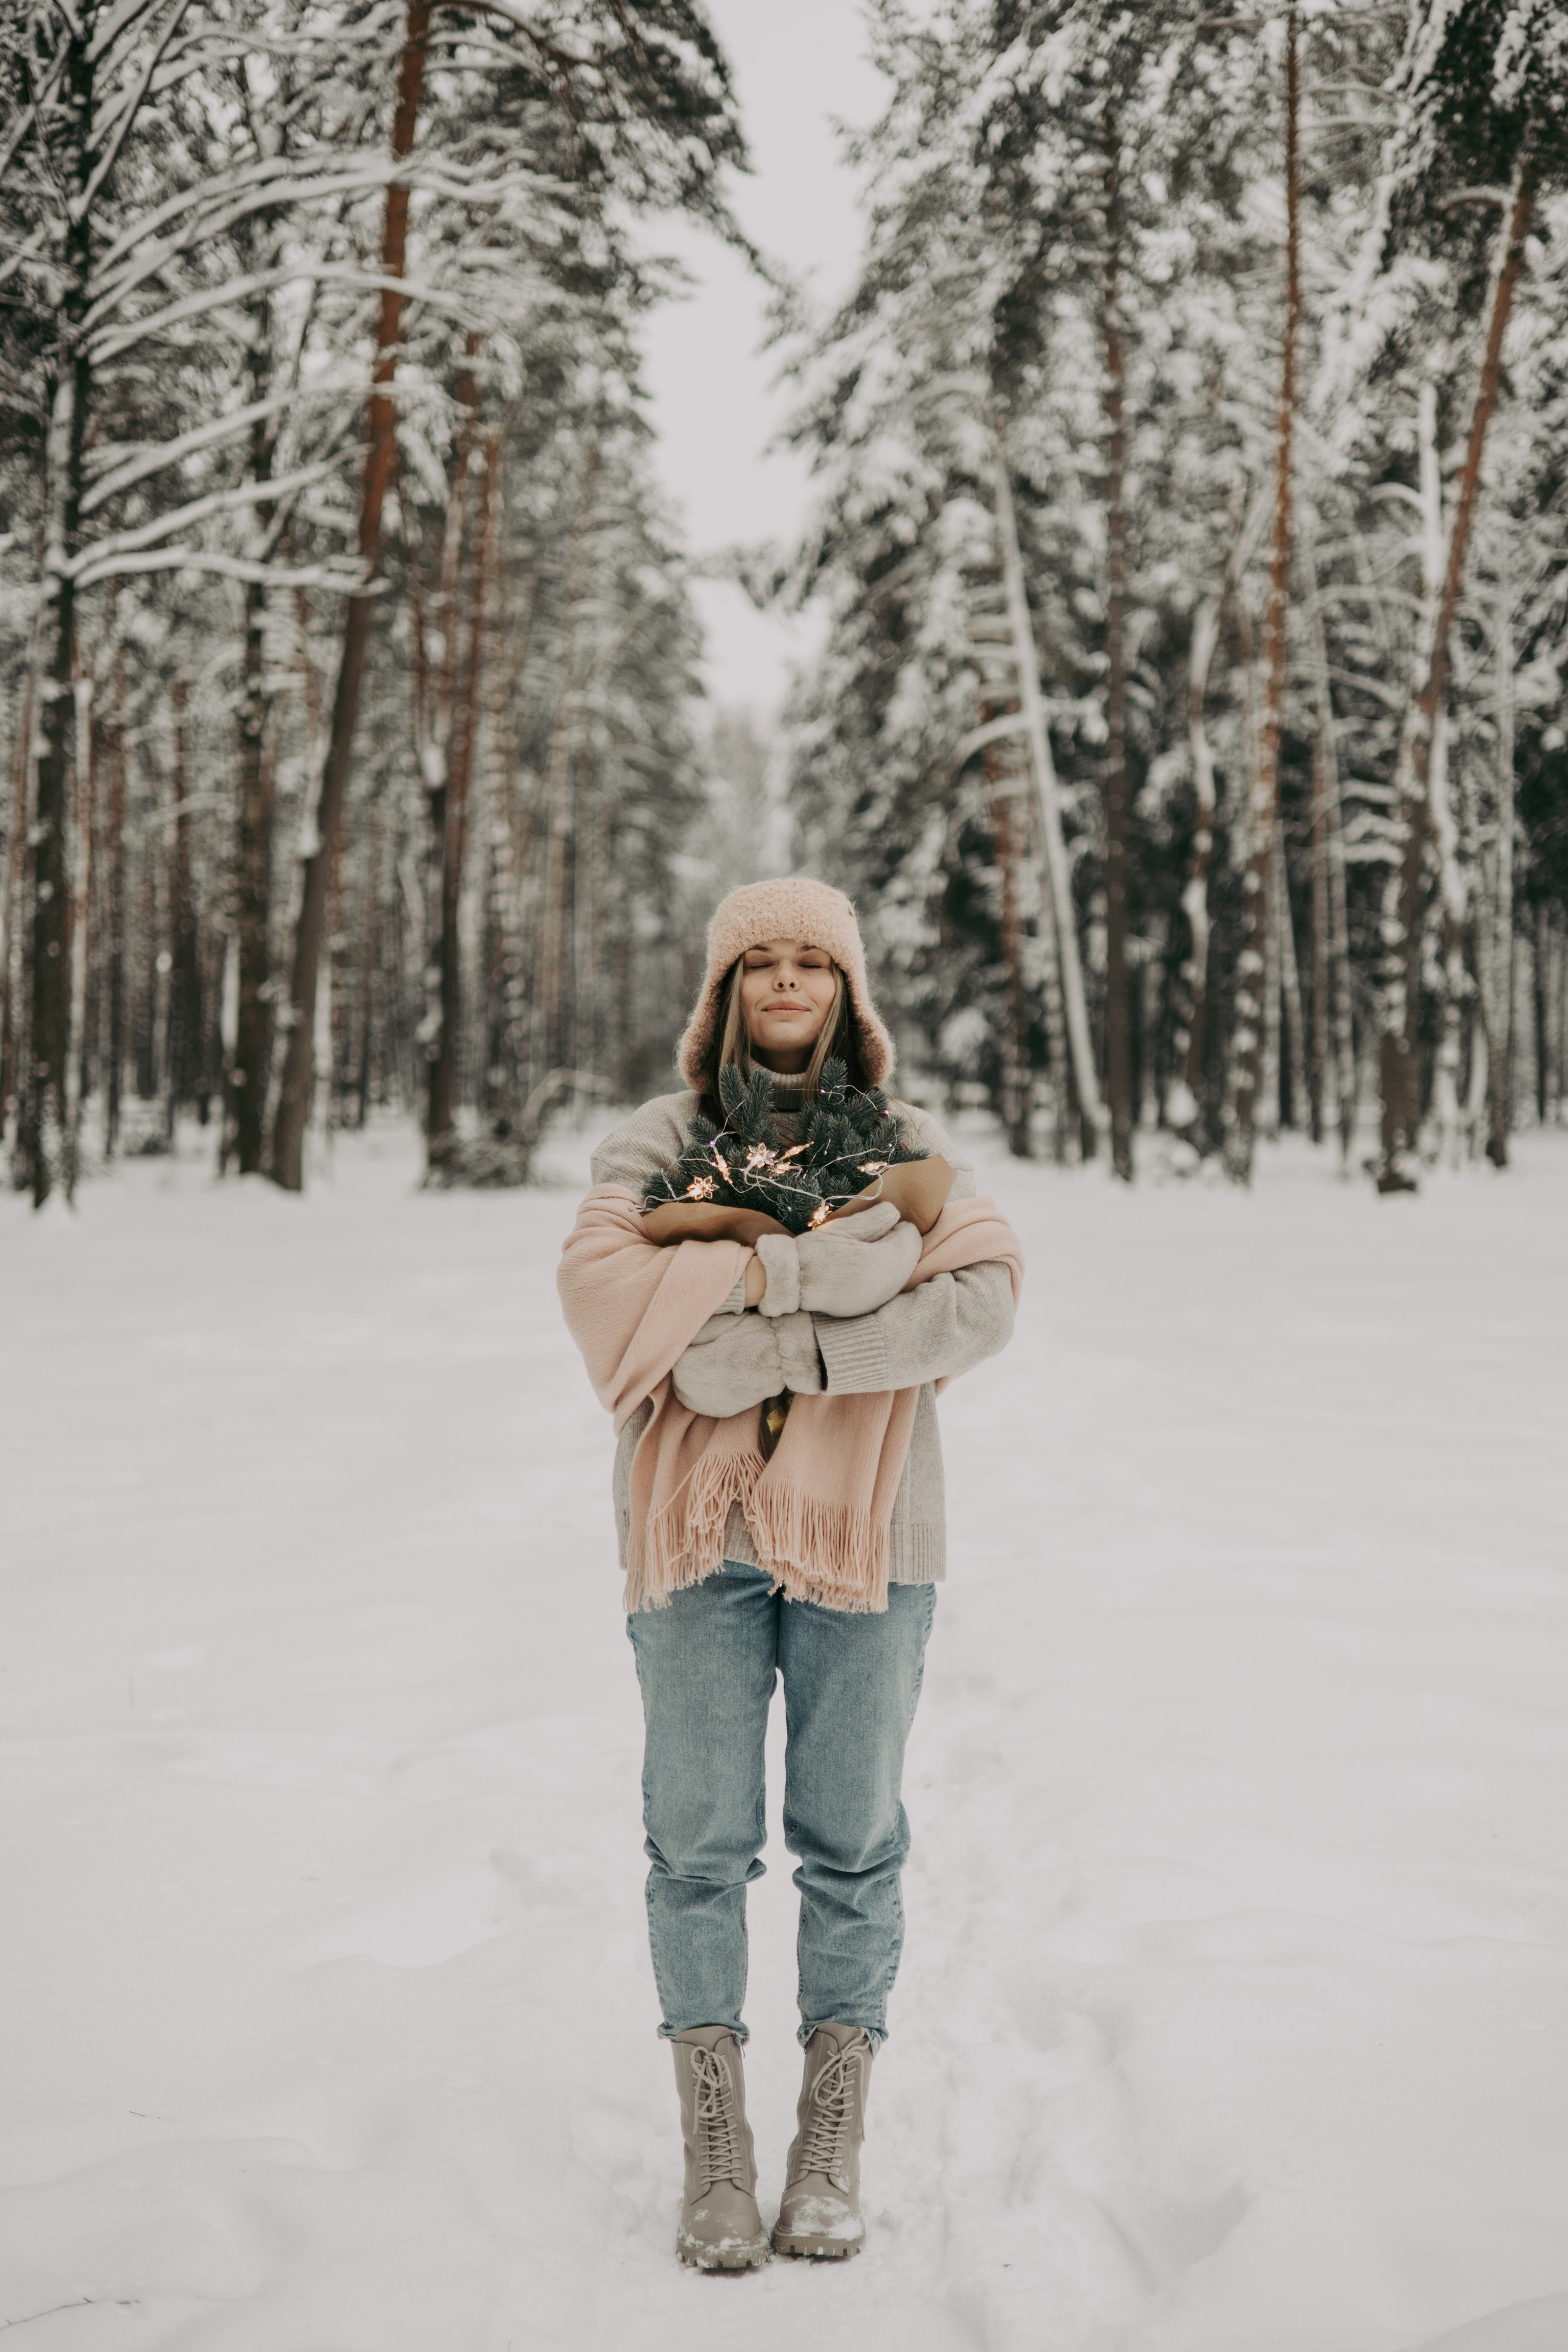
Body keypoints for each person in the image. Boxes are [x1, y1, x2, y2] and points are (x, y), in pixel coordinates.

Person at [558, 878, 1021, 2272]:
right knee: (695, 1845)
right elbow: (612, 1304)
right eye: (755, 962)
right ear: (721, 990)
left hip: (867, 1538)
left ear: (845, 988)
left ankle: (830, 2135)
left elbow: (984, 1295)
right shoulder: (656, 1142)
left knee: (849, 1840)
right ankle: (717, 2146)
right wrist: (831, 1271)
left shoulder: (908, 1141)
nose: (780, 983)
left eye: (806, 963)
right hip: (697, 1543)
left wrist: (786, 1334)